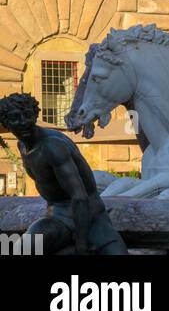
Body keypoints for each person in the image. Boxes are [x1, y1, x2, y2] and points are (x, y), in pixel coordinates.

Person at [0, 92, 126, 255]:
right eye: (16, 118)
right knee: (23, 250)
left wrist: (81, 244)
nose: (23, 122)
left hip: (90, 216)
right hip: (58, 218)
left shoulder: (52, 146)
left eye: (27, 115)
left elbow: (80, 197)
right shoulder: (23, 146)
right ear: (6, 123)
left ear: (35, 115)